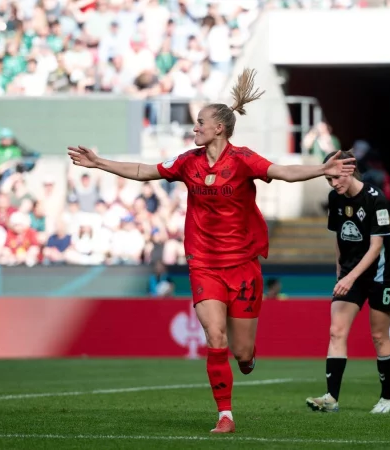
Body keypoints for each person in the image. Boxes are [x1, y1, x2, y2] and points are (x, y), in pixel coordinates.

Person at [67, 68, 355, 433]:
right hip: (203, 264)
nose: (194, 127)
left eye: (200, 122)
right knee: (214, 337)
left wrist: (321, 169)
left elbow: (282, 172)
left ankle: (247, 360)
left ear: (219, 127)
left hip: (243, 265)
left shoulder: (243, 160)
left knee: (242, 353)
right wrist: (100, 162)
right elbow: (144, 170)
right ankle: (225, 415)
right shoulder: (188, 161)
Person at [305, 150, 390, 415]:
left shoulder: (376, 199)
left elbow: (375, 247)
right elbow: (339, 239)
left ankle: (387, 399)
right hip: (350, 273)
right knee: (336, 331)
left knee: (379, 335)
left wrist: (349, 277)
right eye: (328, 179)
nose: (333, 183)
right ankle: (331, 398)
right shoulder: (334, 199)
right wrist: (340, 274)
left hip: (382, 273)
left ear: (350, 170)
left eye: (336, 177)